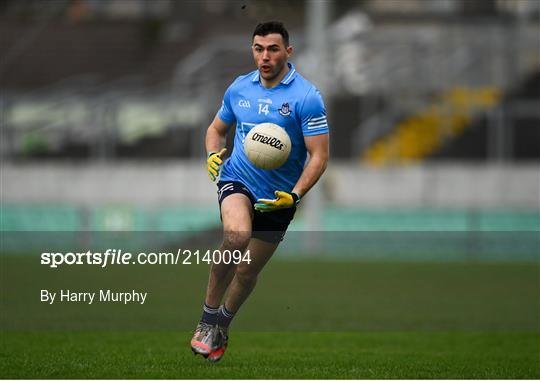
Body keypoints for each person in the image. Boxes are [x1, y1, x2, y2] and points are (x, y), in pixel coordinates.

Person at [190, 20, 329, 362]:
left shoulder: (307, 97)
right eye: (258, 49)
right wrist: (211, 154)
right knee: (236, 237)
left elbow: (319, 156)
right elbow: (216, 129)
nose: (264, 56)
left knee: (248, 269)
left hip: (279, 197)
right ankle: (206, 319)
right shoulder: (239, 88)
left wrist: (295, 195)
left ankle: (222, 324)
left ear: (288, 51)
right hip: (237, 179)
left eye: (272, 49)